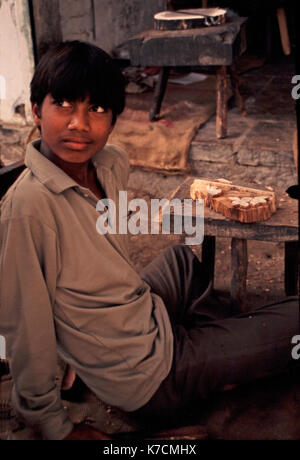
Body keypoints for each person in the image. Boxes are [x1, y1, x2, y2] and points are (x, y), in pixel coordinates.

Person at [0, 41, 299, 441]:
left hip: (133, 317)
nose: (79, 124)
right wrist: (55, 426)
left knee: (181, 259)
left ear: (114, 119)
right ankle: (200, 371)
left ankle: (214, 360)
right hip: (143, 377)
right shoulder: (27, 210)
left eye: (97, 109)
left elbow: (97, 250)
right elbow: (25, 331)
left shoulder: (110, 165)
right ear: (37, 111)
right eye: (64, 104)